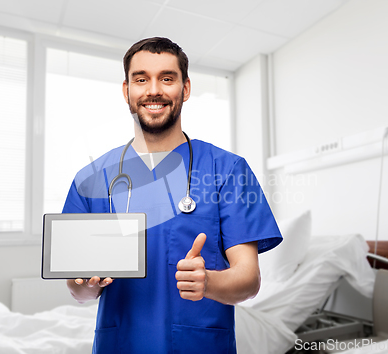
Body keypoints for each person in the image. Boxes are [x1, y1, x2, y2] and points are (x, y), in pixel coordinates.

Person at [64, 37, 282, 354]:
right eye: (142, 79)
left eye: (167, 78)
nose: (154, 90)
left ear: (186, 88)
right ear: (127, 91)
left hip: (199, 346)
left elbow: (249, 280)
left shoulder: (228, 170)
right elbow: (78, 291)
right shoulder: (91, 180)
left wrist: (210, 282)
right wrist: (87, 284)